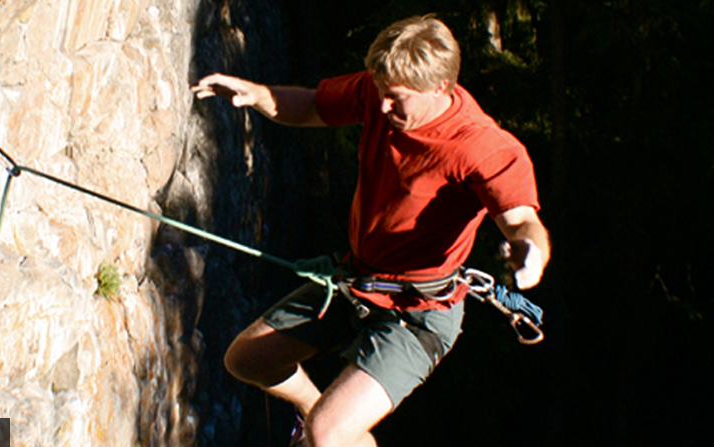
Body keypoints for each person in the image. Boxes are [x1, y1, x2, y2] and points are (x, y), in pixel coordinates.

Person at [191, 14, 550, 447]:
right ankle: (316, 413)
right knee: (247, 360)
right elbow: (310, 107)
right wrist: (258, 95)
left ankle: (328, 428)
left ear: (440, 87)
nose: (380, 107)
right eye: (380, 93)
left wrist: (529, 252)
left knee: (327, 434)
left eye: (395, 98)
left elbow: (521, 220)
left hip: (417, 313)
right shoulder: (380, 91)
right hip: (355, 282)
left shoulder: (483, 148)